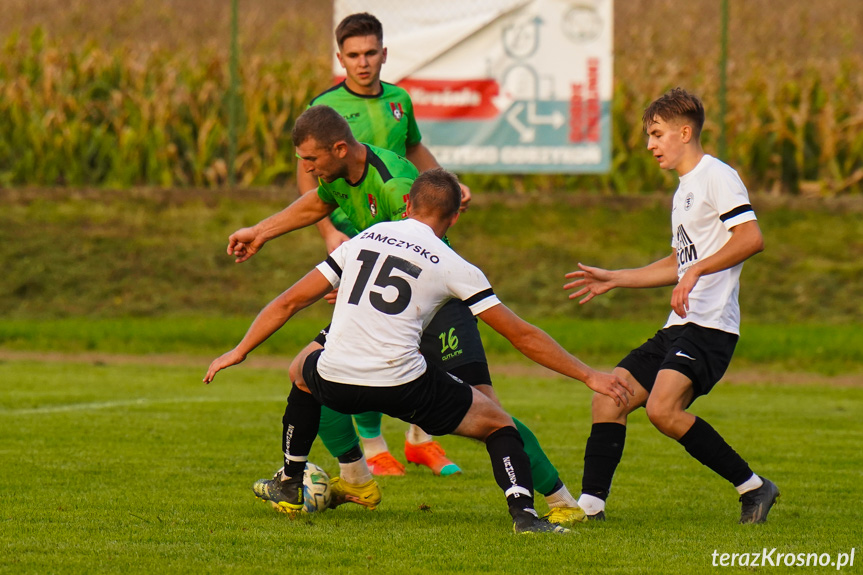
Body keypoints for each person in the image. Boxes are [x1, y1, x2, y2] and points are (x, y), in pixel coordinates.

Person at [205, 169, 633, 534]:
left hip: (335, 381)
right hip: (402, 384)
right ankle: (524, 514)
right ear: (452, 216)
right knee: (498, 423)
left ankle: (289, 480)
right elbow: (521, 335)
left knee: (301, 369)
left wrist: (240, 350)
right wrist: (589, 376)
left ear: (406, 203)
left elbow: (288, 301)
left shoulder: (369, 235)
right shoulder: (453, 263)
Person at [563, 87, 779, 524]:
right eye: (649, 135)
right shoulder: (682, 191)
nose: (650, 145)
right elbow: (680, 261)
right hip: (679, 326)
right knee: (610, 396)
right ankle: (591, 507)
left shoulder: (716, 175)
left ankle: (754, 488)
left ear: (685, 132)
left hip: (711, 327)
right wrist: (617, 278)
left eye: (657, 134)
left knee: (663, 410)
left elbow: (751, 238)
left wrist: (697, 272)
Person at [296, 12, 471, 479]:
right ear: (340, 59)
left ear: (384, 53)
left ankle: (420, 441)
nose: (364, 62)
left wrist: (447, 183)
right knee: (364, 341)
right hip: (360, 243)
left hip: (409, 233)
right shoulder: (326, 105)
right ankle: (373, 447)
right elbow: (309, 174)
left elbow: (414, 150)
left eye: (371, 52)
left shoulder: (399, 100)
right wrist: (329, 233)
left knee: (421, 332)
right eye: (353, 55)